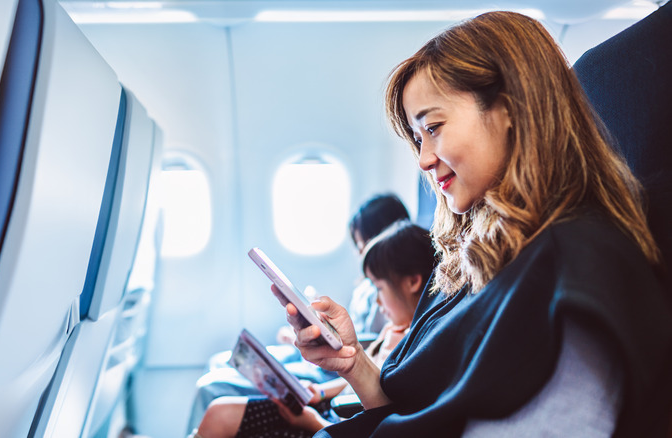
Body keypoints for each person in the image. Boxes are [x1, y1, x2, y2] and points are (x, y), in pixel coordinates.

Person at [284, 11, 672, 438]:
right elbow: (412, 412)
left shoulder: (574, 266)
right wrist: (353, 359)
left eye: (433, 128)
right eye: (417, 139)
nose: (423, 159)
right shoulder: (472, 259)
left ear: (509, 109)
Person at [185, 194, 411, 433]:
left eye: (362, 242)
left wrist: (325, 393)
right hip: (334, 373)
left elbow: (371, 364)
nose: (359, 252)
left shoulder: (397, 312)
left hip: (332, 379)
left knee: (212, 388)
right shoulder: (375, 298)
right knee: (219, 366)